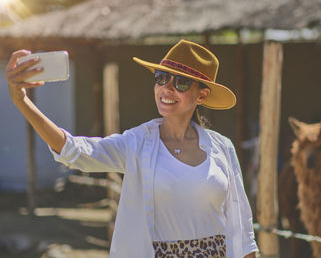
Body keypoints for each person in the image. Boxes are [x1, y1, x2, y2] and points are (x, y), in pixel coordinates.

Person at [6, 39, 259, 258]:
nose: (167, 88)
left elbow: (242, 227)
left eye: (180, 82)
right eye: (161, 78)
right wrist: (23, 102)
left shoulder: (222, 148)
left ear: (201, 96)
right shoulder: (137, 143)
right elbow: (75, 151)